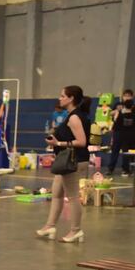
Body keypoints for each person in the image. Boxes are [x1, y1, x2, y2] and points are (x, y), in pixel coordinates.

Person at [37, 85, 92, 243]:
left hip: (74, 161)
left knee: (73, 196)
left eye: (62, 96)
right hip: (65, 161)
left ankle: (76, 230)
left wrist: (58, 142)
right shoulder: (70, 115)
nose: (60, 98)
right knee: (56, 193)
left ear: (71, 98)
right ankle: (50, 226)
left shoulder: (75, 117)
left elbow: (81, 142)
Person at [107, 89, 135, 176]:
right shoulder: (118, 104)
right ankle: (110, 169)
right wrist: (116, 111)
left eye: (129, 95)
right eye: (125, 95)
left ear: (132, 97)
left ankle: (126, 169)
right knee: (115, 150)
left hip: (129, 133)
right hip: (118, 132)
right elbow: (110, 113)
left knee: (126, 152)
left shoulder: (133, 106)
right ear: (122, 96)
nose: (127, 97)